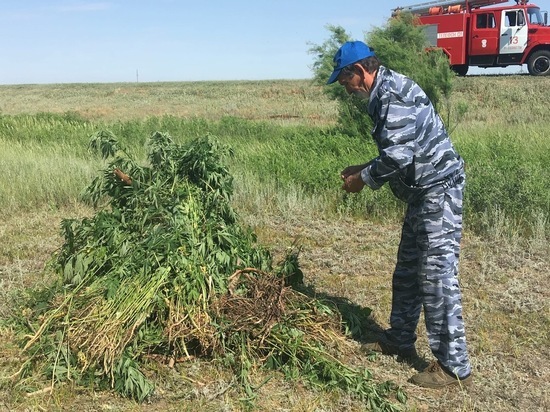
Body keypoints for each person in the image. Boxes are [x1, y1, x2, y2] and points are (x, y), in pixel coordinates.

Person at [327, 41, 473, 389]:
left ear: (360, 71)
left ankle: (454, 369)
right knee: (408, 269)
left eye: (345, 81)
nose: (345, 89)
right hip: (422, 193)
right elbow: (398, 149)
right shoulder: (383, 92)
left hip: (439, 191)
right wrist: (363, 167)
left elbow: (398, 158)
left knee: (437, 276)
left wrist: (362, 179)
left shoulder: (392, 96)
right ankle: (400, 339)